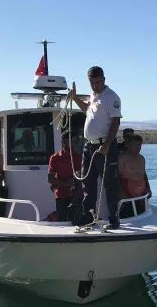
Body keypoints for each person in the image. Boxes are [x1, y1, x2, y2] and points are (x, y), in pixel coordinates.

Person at [68, 65, 122, 228]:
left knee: (109, 183)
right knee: (88, 183)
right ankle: (88, 216)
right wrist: (75, 98)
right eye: (93, 82)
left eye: (99, 82)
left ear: (104, 80)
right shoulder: (93, 95)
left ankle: (114, 219)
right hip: (89, 146)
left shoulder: (111, 97)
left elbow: (115, 122)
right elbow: (88, 110)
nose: (96, 85)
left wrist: (106, 146)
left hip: (105, 146)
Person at [48, 130, 83, 221]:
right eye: (71, 141)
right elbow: (50, 178)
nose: (74, 143)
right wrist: (68, 183)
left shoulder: (79, 158)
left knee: (76, 220)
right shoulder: (55, 158)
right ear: (63, 142)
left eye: (75, 141)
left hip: (76, 196)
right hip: (61, 197)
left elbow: (80, 177)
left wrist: (58, 184)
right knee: (62, 221)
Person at [117, 134, 151, 217]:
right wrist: (120, 192)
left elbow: (144, 174)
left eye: (140, 145)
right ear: (128, 145)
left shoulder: (141, 158)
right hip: (127, 191)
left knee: (142, 213)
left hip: (141, 191)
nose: (139, 147)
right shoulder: (122, 158)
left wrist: (148, 188)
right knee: (129, 214)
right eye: (136, 145)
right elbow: (116, 177)